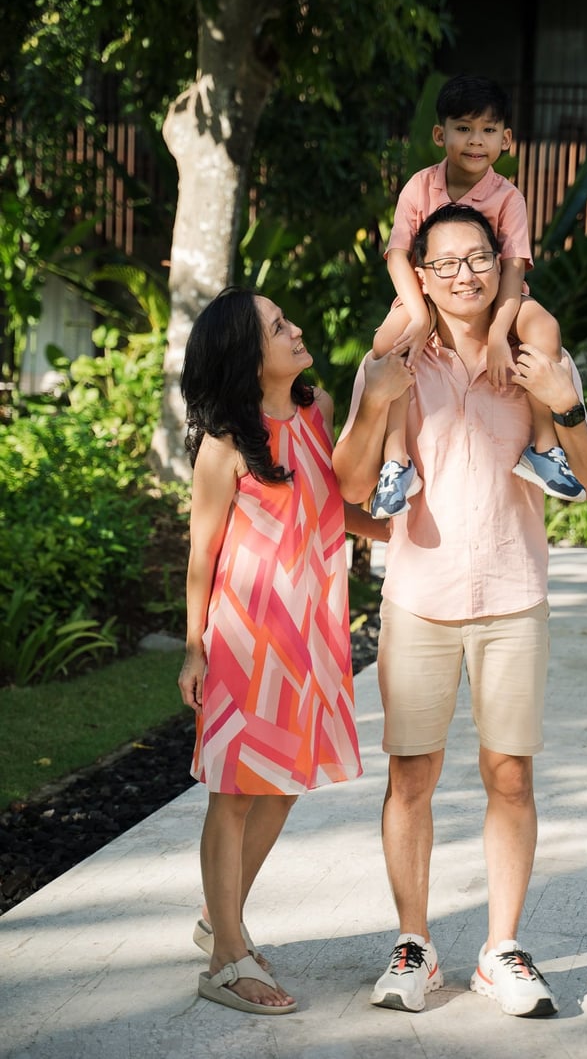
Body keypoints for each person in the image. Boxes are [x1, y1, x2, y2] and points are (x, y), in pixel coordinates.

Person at [332, 204, 587, 1018]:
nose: (465, 274)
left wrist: (563, 403)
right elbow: (349, 485)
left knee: (510, 774)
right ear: (419, 276)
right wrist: (375, 403)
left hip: (514, 596)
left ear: (501, 262)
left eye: (479, 256)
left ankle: (501, 949)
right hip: (419, 599)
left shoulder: (535, 352)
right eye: (446, 262)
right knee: (410, 774)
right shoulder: (392, 357)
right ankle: (413, 945)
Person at [177, 286, 394, 1015]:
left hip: (311, 635)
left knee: (282, 783)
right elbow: (202, 554)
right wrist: (193, 648)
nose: (295, 329)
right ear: (248, 355)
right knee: (234, 792)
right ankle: (224, 960)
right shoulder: (225, 446)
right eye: (277, 327)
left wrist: (394, 528)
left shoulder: (316, 410)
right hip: (245, 639)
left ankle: (220, 917)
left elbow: (328, 504)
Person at [369, 73, 585, 519]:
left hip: (498, 296)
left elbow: (513, 268)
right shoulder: (419, 187)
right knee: (386, 342)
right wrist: (419, 317)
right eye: (463, 128)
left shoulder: (508, 197)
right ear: (440, 134)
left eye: (488, 130)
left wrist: (500, 333)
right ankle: (396, 460)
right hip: (429, 295)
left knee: (544, 327)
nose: (475, 140)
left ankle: (544, 446)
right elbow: (398, 257)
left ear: (505, 139)